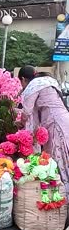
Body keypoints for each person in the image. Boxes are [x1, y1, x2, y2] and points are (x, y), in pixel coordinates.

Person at [18, 66, 69, 201]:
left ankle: (63, 197)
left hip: (55, 124)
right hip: (64, 120)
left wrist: (19, 122)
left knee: (59, 161)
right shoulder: (47, 81)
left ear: (23, 79)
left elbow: (27, 112)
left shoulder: (33, 85)